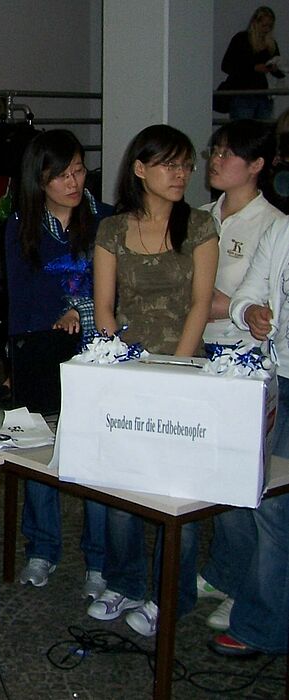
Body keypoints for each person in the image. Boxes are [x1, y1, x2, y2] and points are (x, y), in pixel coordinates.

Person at [88, 124, 219, 636]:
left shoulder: (200, 225)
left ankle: (171, 595)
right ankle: (124, 581)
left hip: (184, 372)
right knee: (123, 487)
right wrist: (117, 363)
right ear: (140, 169)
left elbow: (201, 304)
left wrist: (176, 372)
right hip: (128, 371)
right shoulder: (112, 229)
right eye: (169, 164)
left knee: (176, 492)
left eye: (185, 165)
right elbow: (104, 307)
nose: (180, 174)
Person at [4, 130, 114, 597]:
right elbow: (22, 298)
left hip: (99, 353)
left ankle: (99, 562)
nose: (73, 183)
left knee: (97, 457)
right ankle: (42, 548)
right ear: (40, 179)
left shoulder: (107, 220)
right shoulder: (21, 226)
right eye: (60, 175)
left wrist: (79, 311)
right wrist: (54, 317)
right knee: (41, 451)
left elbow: (120, 291)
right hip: (44, 352)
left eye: (78, 171)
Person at [194, 120, 285, 634]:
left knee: (252, 482)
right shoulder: (204, 215)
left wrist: (202, 302)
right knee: (216, 473)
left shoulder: (270, 224)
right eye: (216, 150)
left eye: (229, 154)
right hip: (202, 349)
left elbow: (258, 301)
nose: (216, 160)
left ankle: (249, 586)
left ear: (256, 165)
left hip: (248, 358)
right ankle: (225, 570)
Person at [209, 215, 289, 658]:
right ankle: (254, 600)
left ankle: (261, 624)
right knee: (257, 491)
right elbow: (248, 294)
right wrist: (251, 313)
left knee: (274, 507)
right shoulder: (282, 231)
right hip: (276, 375)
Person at [221, 6, 283, 121]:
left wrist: (275, 69)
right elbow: (226, 66)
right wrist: (253, 68)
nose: (267, 29)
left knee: (263, 129)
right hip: (243, 94)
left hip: (264, 96)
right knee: (243, 129)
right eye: (264, 25)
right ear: (255, 23)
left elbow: (280, 72)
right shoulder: (241, 39)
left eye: (270, 26)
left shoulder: (271, 44)